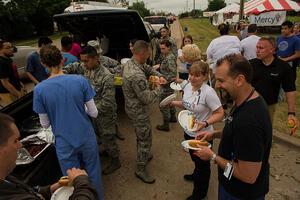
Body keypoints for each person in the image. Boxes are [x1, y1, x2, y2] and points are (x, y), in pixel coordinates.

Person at [194, 54, 272, 199]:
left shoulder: (249, 122)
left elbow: (248, 176)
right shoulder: (244, 98)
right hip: (230, 184)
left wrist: (213, 156)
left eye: (221, 80)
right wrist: (215, 134)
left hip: (240, 193)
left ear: (239, 80)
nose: (216, 85)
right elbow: (236, 132)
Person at [32, 45, 104, 200]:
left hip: (64, 142)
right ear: (62, 60)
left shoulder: (40, 89)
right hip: (86, 136)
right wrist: (78, 109)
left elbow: (44, 124)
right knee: (93, 173)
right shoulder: (80, 80)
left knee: (72, 180)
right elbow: (94, 113)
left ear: (43, 64)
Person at [0, 113, 99, 200]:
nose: (20, 145)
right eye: (15, 141)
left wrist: (52, 188)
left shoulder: (5, 179)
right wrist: (82, 182)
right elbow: (93, 112)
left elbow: (29, 191)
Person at [170, 61, 224, 200]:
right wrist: (172, 103)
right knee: (195, 159)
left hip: (203, 135)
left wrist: (205, 122)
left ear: (205, 76)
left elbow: (220, 113)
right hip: (188, 131)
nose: (192, 78)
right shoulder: (188, 86)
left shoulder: (209, 93)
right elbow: (187, 104)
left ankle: (199, 195)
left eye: (197, 75)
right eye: (190, 74)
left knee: (203, 167)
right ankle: (196, 174)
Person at [64, 45, 122, 175]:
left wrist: (90, 111)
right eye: (82, 61)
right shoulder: (84, 66)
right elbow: (72, 67)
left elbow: (108, 102)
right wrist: (59, 73)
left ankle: (115, 159)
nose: (83, 64)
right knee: (99, 133)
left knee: (108, 136)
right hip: (92, 111)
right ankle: (107, 150)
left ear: (96, 58)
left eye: (86, 61)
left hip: (104, 113)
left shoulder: (106, 76)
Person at [122, 40, 167, 183]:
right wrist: (160, 88)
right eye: (148, 53)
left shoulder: (132, 62)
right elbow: (147, 98)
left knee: (141, 135)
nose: (149, 56)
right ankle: (140, 168)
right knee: (145, 139)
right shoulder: (136, 75)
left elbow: (147, 68)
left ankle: (144, 155)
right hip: (138, 111)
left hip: (132, 107)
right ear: (142, 53)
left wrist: (158, 74)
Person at [250, 37, 297, 124]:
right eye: (257, 47)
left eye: (261, 48)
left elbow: (290, 90)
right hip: (249, 104)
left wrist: (291, 113)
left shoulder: (284, 67)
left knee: (265, 132)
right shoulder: (250, 64)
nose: (257, 50)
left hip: (269, 106)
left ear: (272, 50)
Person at [86, 39, 125, 141]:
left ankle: (115, 131)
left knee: (110, 116)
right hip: (93, 97)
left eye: (98, 53)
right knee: (95, 121)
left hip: (106, 92)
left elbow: (119, 66)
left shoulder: (105, 60)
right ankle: (100, 138)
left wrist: (110, 71)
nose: (98, 56)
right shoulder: (85, 63)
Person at [156, 39, 177, 132]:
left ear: (169, 47)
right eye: (160, 49)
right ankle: (173, 117)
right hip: (168, 84)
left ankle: (166, 124)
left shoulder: (169, 58)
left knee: (163, 104)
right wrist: (159, 66)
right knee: (170, 101)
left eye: (163, 48)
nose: (162, 50)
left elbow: (173, 74)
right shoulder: (167, 56)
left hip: (166, 85)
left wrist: (165, 80)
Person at [0, 40, 26, 107]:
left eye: (11, 47)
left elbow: (13, 75)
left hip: (17, 89)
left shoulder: (8, 59)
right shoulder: (1, 62)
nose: (11, 49)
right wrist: (18, 94)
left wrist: (21, 85)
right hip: (9, 93)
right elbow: (5, 82)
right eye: (8, 48)